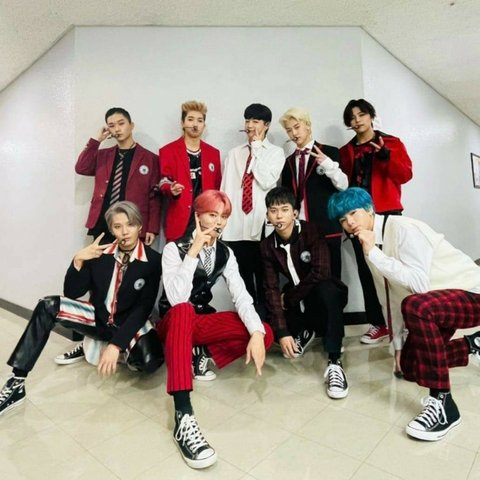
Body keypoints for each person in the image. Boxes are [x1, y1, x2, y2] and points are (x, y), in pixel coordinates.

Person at [328, 187, 480, 441]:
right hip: (437, 304)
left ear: (369, 209)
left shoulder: (403, 229)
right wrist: (398, 345)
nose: (349, 222)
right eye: (343, 219)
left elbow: (419, 285)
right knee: (410, 367)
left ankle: (444, 404)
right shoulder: (371, 246)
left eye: (353, 213)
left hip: (471, 292)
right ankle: (472, 344)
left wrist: (374, 253)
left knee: (416, 306)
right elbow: (389, 298)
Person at [0, 201, 163, 417]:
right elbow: (72, 293)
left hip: (128, 322)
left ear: (139, 226)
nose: (125, 232)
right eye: (118, 226)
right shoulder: (99, 254)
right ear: (111, 229)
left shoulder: (153, 260)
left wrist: (116, 345)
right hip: (98, 318)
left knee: (149, 362)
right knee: (48, 305)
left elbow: (143, 308)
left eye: (130, 224)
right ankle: (16, 382)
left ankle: (109, 348)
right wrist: (78, 261)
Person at [156, 189, 273, 469]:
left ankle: (202, 355)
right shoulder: (174, 249)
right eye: (212, 214)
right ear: (197, 215)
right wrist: (194, 250)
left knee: (263, 331)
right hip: (172, 323)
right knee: (184, 309)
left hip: (198, 323)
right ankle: (183, 415)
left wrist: (256, 334)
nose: (219, 222)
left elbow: (241, 295)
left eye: (224, 216)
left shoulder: (226, 253)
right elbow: (176, 299)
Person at [260, 187, 348, 399]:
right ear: (267, 215)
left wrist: (289, 298)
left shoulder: (311, 231)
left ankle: (335, 362)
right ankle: (306, 331)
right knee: (266, 313)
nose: (279, 216)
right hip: (296, 300)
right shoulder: (267, 245)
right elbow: (271, 288)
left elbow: (321, 272)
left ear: (295, 213)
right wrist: (283, 332)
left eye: (284, 210)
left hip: (319, 294)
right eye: (273, 211)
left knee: (328, 290)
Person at [339, 99, 413, 344]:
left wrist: (385, 156)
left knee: (394, 268)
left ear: (371, 116)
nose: (357, 120)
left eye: (361, 114)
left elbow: (405, 175)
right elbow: (343, 184)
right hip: (357, 219)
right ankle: (378, 323)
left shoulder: (391, 142)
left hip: (387, 213)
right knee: (367, 271)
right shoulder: (346, 151)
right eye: (352, 117)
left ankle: (406, 320)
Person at [221, 103, 285, 309]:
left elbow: (266, 181)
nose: (250, 125)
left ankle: (268, 322)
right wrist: (222, 222)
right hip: (237, 227)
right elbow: (225, 188)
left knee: (267, 279)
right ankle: (249, 323)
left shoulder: (275, 153)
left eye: (255, 121)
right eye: (247, 120)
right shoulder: (234, 153)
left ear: (266, 125)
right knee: (242, 281)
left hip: (261, 225)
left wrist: (256, 149)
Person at [279, 108, 348, 280]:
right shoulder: (288, 162)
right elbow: (288, 197)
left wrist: (327, 164)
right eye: (289, 130)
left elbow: (343, 185)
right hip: (301, 231)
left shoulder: (330, 152)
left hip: (327, 227)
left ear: (308, 126)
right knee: (306, 279)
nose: (294, 134)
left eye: (297, 127)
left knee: (333, 278)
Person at [76, 107, 161, 245]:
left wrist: (152, 228)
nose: (117, 129)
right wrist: (96, 140)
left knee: (130, 259)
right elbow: (82, 168)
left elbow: (154, 196)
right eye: (111, 126)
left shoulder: (150, 158)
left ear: (131, 125)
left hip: (132, 225)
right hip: (103, 222)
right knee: (101, 259)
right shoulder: (103, 155)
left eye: (121, 123)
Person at [159, 101, 222, 242]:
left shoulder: (213, 153)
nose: (195, 124)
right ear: (182, 123)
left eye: (200, 121)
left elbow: (217, 187)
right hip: (179, 219)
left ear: (204, 125)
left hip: (207, 221)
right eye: (190, 119)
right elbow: (163, 181)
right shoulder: (168, 151)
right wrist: (171, 189)